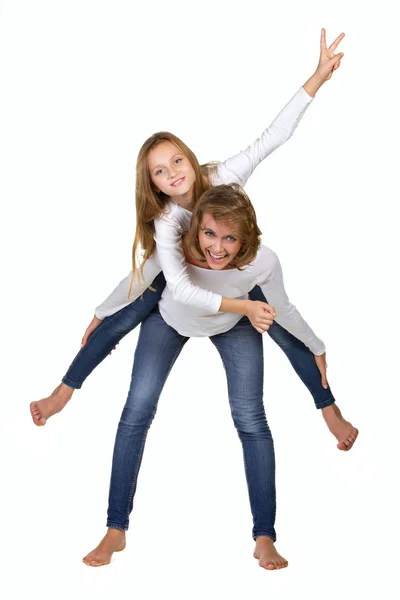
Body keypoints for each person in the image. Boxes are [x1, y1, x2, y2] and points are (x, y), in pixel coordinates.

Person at [30, 29, 355, 450]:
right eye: (160, 173)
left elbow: (272, 137)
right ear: (155, 185)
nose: (173, 174)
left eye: (176, 161)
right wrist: (100, 312)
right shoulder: (168, 223)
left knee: (280, 319)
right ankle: (64, 391)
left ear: (188, 155)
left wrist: (316, 79)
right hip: (185, 282)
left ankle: (328, 407)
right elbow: (148, 275)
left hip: (232, 272)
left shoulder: (223, 177)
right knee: (129, 309)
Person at [82, 184, 356, 569]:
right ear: (197, 229)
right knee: (137, 410)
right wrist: (100, 315)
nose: (218, 247)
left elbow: (285, 310)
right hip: (171, 318)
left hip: (233, 322)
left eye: (231, 238)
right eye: (210, 234)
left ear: (246, 239)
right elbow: (137, 281)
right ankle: (115, 529)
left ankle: (264, 537)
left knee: (250, 418)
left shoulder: (262, 262)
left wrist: (319, 345)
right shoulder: (175, 247)